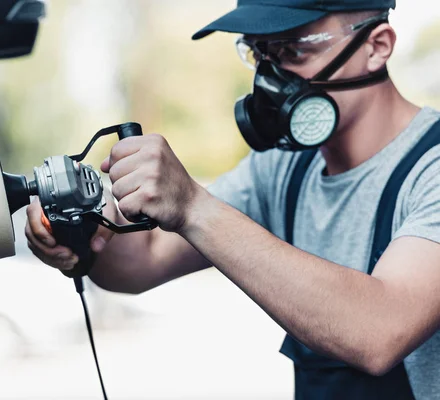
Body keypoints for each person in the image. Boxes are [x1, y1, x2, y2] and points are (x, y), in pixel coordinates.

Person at [26, 1, 440, 398]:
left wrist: (192, 205)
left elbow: (380, 331)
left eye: (293, 50)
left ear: (377, 46)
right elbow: (141, 262)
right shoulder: (282, 170)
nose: (271, 79)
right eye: (260, 53)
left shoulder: (430, 167)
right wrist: (85, 228)